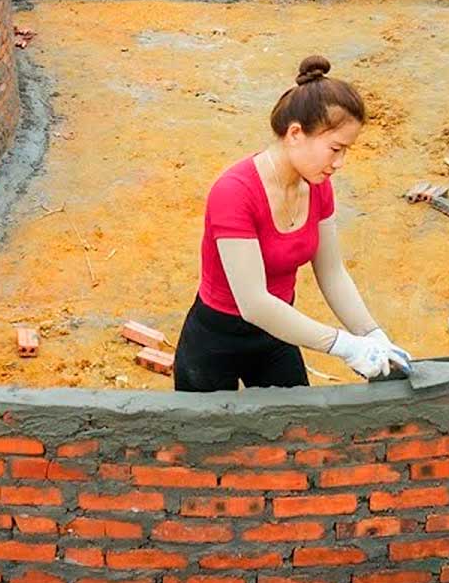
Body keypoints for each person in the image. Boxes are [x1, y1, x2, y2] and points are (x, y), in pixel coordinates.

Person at [173, 56, 410, 392]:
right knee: (209, 441)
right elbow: (254, 303)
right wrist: (344, 346)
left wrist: (371, 334)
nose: (340, 163)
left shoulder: (318, 187)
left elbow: (332, 272)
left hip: (278, 334)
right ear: (296, 133)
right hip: (215, 341)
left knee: (296, 437)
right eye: (335, 149)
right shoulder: (234, 192)